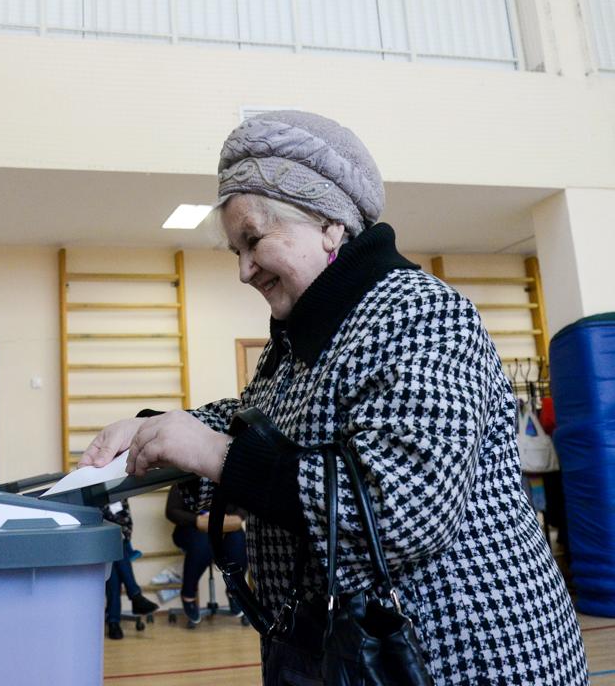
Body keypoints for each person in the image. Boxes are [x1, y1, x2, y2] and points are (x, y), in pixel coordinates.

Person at [81, 111, 588, 684]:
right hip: (337, 650)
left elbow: (403, 509)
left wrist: (215, 455)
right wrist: (159, 429)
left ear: (328, 223)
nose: (245, 270)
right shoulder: (304, 337)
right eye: (235, 251)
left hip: (452, 656)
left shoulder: (418, 312)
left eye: (253, 241)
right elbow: (264, 425)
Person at [165, 481, 248, 624]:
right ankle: (188, 594)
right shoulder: (185, 478)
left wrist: (236, 518)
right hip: (191, 529)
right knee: (203, 544)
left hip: (225, 528)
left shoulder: (228, 476)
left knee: (238, 539)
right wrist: (198, 520)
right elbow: (171, 511)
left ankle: (235, 592)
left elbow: (244, 504)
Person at [101, 499, 158, 639]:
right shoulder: (90, 493)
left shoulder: (119, 495)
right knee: (114, 551)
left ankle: (114, 621)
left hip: (121, 544)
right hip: (101, 544)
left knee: (115, 558)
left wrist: (119, 536)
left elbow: (127, 522)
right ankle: (135, 595)